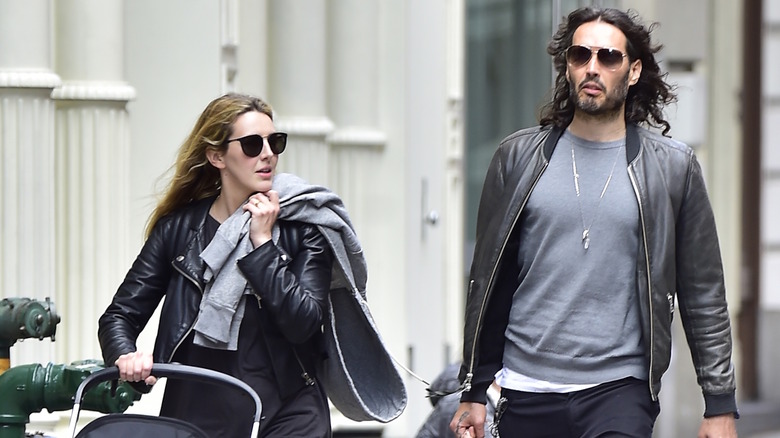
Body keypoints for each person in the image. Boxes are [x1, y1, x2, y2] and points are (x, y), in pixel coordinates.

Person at [450, 7, 737, 438]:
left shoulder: (673, 169)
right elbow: (489, 281)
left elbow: (703, 293)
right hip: (527, 387)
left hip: (618, 390)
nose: (592, 67)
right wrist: (473, 390)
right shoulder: (517, 159)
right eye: (581, 55)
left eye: (608, 57)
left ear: (633, 70)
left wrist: (719, 405)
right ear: (567, 66)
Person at [98, 93, 339, 437]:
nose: (268, 153)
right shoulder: (179, 231)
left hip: (289, 413)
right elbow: (119, 315)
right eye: (253, 144)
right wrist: (126, 356)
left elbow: (305, 324)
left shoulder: (306, 228)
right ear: (217, 156)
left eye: (275, 142)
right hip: (198, 413)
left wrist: (263, 245)